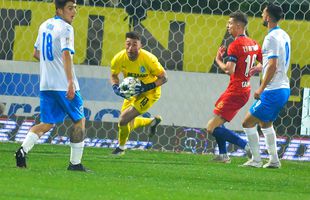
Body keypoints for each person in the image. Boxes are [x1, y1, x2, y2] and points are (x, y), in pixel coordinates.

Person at [15, 0, 88, 171]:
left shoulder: (44, 25)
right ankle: (75, 164)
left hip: (46, 84)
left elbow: (35, 53)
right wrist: (70, 82)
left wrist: (50, 65)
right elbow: (66, 55)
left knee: (47, 123)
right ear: (59, 10)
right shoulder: (66, 28)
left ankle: (22, 150)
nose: (74, 12)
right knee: (79, 121)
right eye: (70, 8)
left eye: (75, 8)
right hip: (64, 84)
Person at [206, 11, 262, 163]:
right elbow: (263, 63)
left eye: (230, 23)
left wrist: (218, 59)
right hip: (244, 89)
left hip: (235, 91)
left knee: (211, 127)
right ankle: (223, 155)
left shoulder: (235, 45)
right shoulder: (254, 43)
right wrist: (257, 68)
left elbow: (228, 70)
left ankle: (246, 147)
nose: (228, 26)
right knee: (219, 122)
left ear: (238, 26)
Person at [242, 3, 291, 168]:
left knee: (247, 123)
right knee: (265, 123)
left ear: (268, 17)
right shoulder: (283, 34)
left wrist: (261, 88)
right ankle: (274, 160)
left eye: (263, 13)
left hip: (273, 89)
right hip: (283, 87)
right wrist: (260, 67)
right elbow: (275, 62)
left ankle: (256, 160)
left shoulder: (271, 37)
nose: (262, 15)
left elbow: (273, 65)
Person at [110, 31, 167, 155]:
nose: (130, 48)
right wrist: (115, 87)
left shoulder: (149, 59)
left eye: (134, 44)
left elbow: (164, 78)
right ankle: (151, 122)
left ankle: (121, 148)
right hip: (133, 92)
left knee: (123, 119)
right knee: (124, 123)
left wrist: (146, 87)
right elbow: (114, 75)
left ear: (140, 45)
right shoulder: (118, 59)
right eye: (128, 44)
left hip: (150, 93)